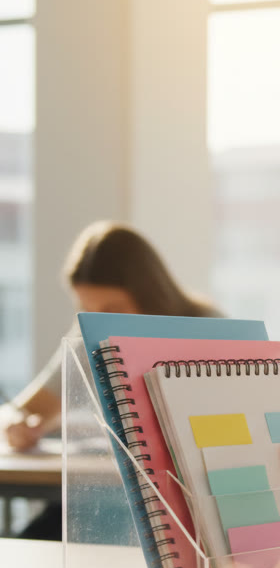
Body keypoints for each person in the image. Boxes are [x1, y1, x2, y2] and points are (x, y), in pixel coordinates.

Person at [1, 221, 220, 538]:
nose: (98, 320)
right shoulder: (87, 335)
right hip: (92, 506)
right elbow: (20, 410)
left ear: (150, 295)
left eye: (113, 308)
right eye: (86, 309)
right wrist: (19, 424)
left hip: (179, 511)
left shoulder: (207, 327)